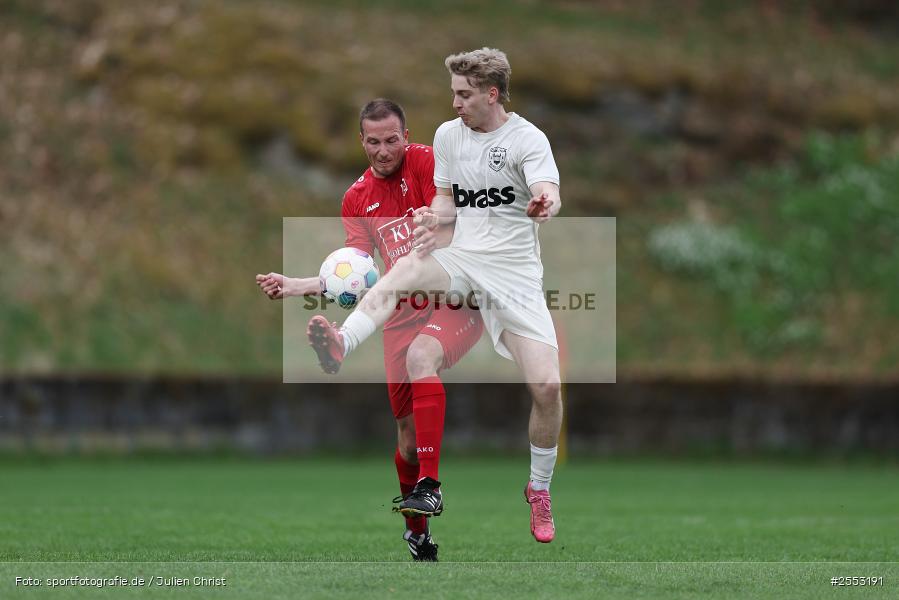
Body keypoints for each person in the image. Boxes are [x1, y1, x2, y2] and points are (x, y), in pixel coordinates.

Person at [307, 48, 563, 543]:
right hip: (463, 262)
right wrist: (432, 218)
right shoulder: (449, 137)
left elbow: (549, 188)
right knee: (404, 270)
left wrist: (544, 203)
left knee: (548, 388)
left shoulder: (527, 139)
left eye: (464, 94)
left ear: (491, 94)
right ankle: (342, 340)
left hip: (514, 278)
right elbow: (446, 203)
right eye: (453, 93)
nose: (455, 103)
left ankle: (538, 489)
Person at [258, 99, 483, 561]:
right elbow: (355, 273)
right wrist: (296, 284)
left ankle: (430, 484)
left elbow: (461, 209)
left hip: (454, 297)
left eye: (392, 140)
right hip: (400, 309)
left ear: (406, 135)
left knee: (425, 357)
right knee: (405, 435)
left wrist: (436, 220)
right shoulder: (357, 198)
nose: (384, 150)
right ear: (361, 141)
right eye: (374, 142)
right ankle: (418, 533)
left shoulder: (426, 161)